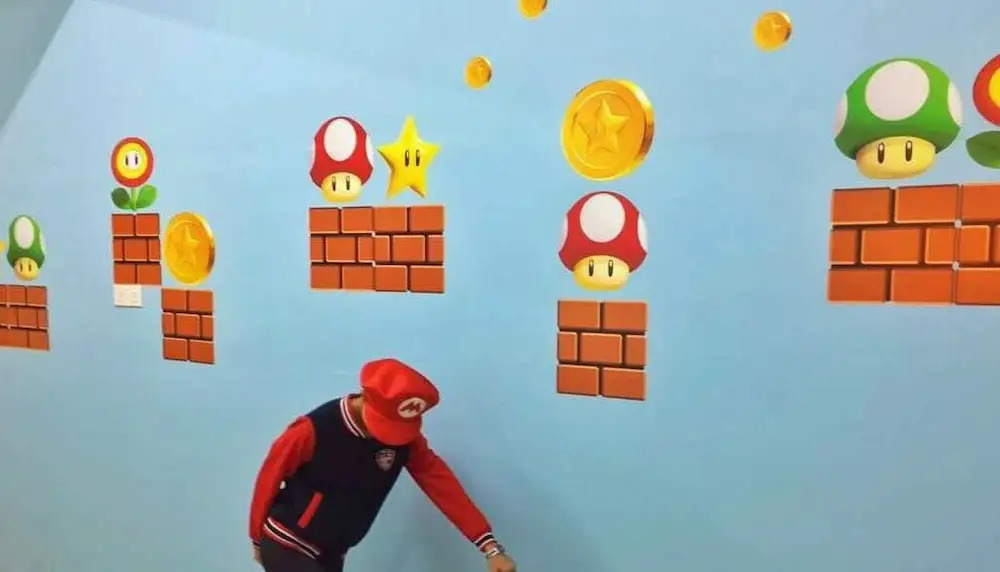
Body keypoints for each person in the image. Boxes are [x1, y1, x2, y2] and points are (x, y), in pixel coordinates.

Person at [249, 358, 517, 572]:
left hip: (334, 551)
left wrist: (490, 547)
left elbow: (440, 484)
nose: (392, 438)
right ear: (367, 399)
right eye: (387, 426)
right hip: (288, 541)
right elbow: (269, 476)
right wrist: (257, 539)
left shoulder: (406, 439)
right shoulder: (312, 430)